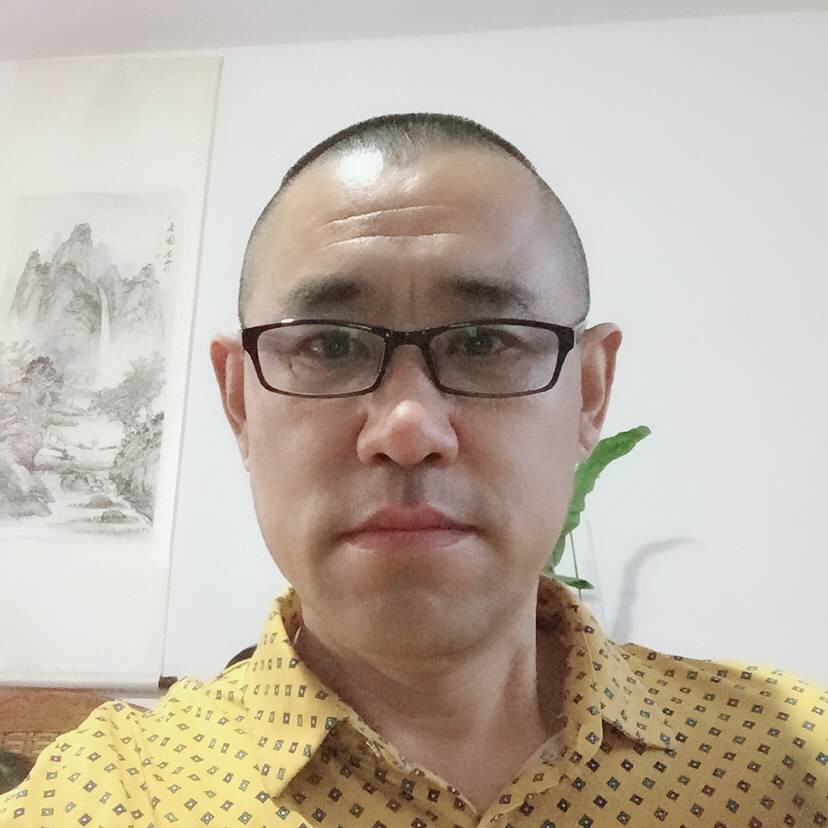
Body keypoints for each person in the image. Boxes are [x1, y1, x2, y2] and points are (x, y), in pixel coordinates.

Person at [2, 112, 825, 826]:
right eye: (329, 345)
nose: (407, 430)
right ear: (240, 403)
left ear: (590, 393)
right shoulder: (97, 802)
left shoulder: (791, 769)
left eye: (485, 342)